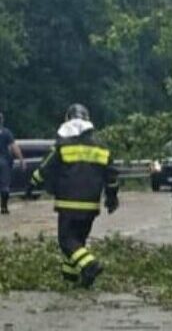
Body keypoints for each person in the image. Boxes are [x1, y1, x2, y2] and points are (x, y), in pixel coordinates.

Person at [32, 104, 119, 287]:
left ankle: (90, 265)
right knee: (78, 242)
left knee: (66, 241)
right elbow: (111, 176)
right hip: (91, 205)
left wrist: (33, 184)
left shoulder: (63, 145)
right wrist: (112, 198)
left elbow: (45, 168)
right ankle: (72, 279)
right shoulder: (102, 148)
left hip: (68, 203)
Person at [0, 112, 25, 215]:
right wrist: (21, 160)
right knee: (5, 185)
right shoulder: (6, 132)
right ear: (2, 120)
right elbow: (14, 147)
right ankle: (4, 207)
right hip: (4, 161)